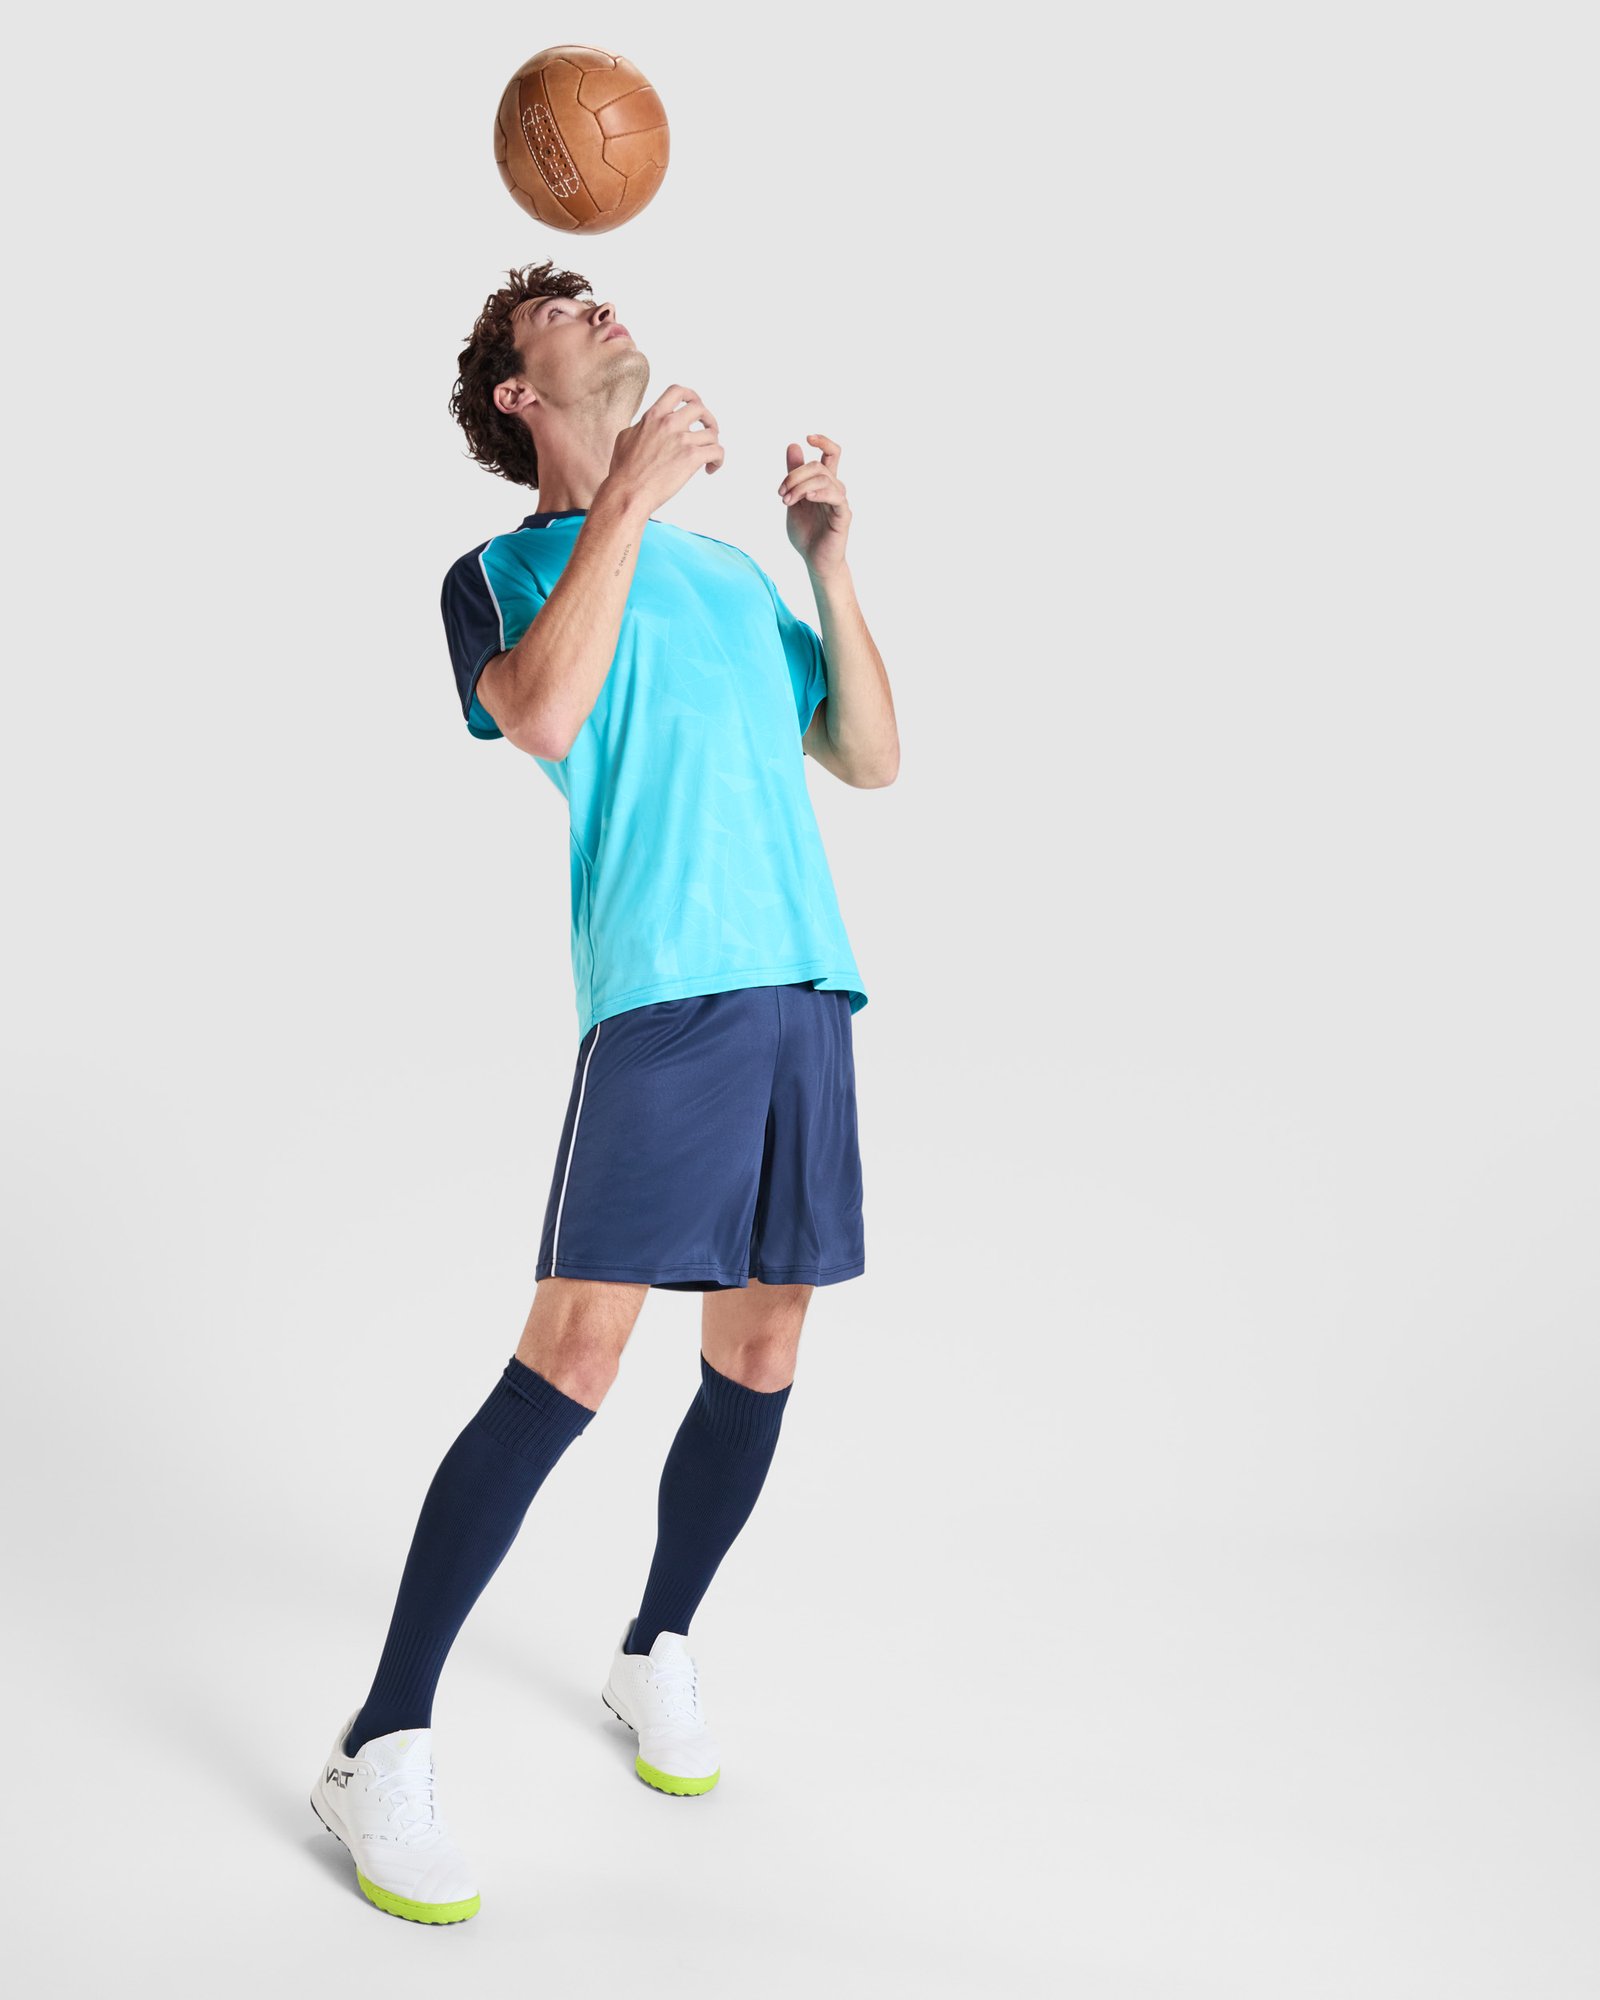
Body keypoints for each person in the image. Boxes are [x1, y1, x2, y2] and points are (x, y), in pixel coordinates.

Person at [309, 261, 900, 1923]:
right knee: (573, 1355)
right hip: (662, 999)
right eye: (562, 307)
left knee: (763, 1348)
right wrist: (625, 499)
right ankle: (378, 1741)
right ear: (518, 393)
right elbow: (545, 713)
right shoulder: (499, 574)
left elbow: (868, 756)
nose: (604, 307)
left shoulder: (728, 573)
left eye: (600, 293)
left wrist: (827, 562)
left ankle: (658, 1645)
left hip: (805, 988)